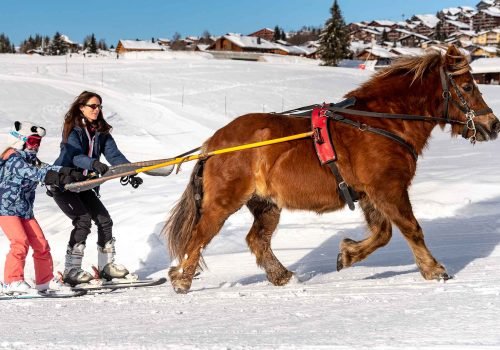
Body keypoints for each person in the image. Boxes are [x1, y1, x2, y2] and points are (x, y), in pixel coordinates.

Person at [50, 91, 143, 286]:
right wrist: (93, 164)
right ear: (81, 108)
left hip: (85, 185)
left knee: (104, 220)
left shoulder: (101, 132)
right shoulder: (73, 131)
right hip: (65, 183)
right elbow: (74, 156)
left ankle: (106, 267)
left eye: (99, 106)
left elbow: (114, 155)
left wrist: (128, 171)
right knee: (83, 220)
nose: (97, 110)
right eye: (93, 106)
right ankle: (71, 270)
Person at [0, 121, 85, 294]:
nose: (35, 146)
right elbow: (31, 173)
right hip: (6, 209)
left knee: (41, 245)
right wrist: (55, 177)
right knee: (20, 243)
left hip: (24, 210)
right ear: (20, 140)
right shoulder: (13, 158)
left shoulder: (30, 159)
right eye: (32, 141)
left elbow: (46, 168)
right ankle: (11, 281)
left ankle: (44, 280)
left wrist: (67, 172)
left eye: (38, 142)